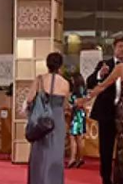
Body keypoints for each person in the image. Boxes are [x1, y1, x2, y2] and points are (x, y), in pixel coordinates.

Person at [79, 51, 123, 184]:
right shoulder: (119, 67)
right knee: (121, 147)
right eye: (121, 46)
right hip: (121, 113)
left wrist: (84, 99)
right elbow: (100, 86)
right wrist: (85, 99)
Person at [27, 52, 70, 184]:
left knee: (40, 154)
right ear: (60, 65)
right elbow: (65, 105)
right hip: (58, 121)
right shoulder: (65, 83)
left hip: (42, 120)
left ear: (47, 64)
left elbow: (29, 99)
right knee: (56, 154)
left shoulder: (39, 79)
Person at [67, 72, 87, 169]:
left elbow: (78, 103)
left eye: (72, 79)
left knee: (74, 136)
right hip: (79, 115)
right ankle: (79, 158)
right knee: (78, 137)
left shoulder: (79, 91)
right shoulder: (83, 90)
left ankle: (73, 158)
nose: (71, 81)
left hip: (77, 115)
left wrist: (70, 105)